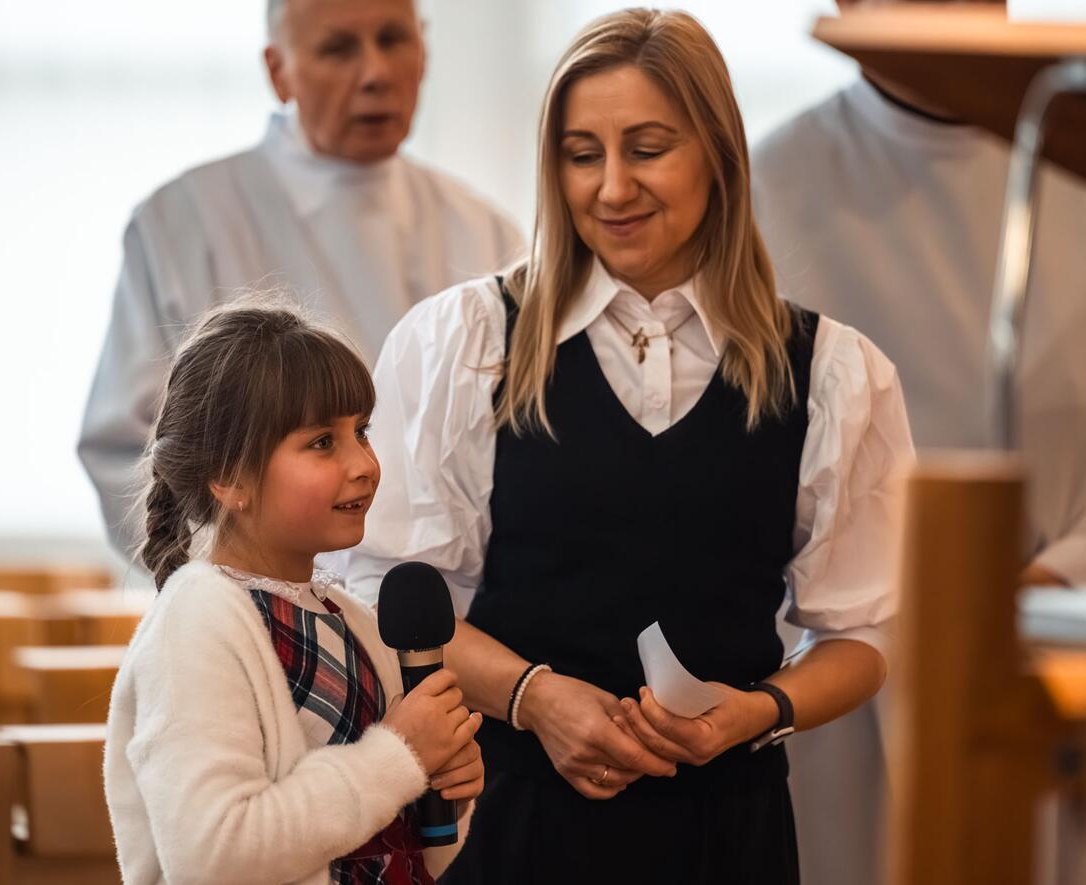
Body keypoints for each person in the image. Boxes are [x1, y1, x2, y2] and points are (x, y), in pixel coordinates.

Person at [345, 9, 914, 883]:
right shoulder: (466, 342)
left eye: (648, 148)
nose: (612, 188)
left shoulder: (834, 371)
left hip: (730, 838)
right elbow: (390, 590)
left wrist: (754, 712)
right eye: (582, 155)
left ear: (719, 157)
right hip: (513, 828)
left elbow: (868, 631)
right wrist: (535, 698)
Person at [751, 1, 1086, 880]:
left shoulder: (1071, 159)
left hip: (1048, 649)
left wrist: (1034, 581)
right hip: (823, 669)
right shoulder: (759, 186)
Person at [79, 0, 524, 555]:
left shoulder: (486, 234)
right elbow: (132, 451)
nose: (376, 74)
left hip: (448, 602)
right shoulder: (185, 223)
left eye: (393, 39)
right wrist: (242, 581)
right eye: (338, 48)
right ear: (278, 70)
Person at [104, 299, 485, 885]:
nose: (364, 464)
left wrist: (441, 795)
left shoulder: (349, 615)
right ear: (230, 478)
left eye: (361, 432)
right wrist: (400, 756)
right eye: (322, 443)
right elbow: (214, 854)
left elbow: (385, 840)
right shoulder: (199, 621)